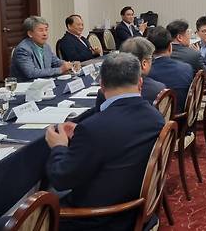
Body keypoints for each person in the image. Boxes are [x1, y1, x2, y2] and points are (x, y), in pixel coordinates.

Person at [45, 53, 165, 231]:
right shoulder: (156, 117)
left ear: (101, 85)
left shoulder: (93, 128)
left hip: (98, 218)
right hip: (136, 208)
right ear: (140, 83)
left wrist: (59, 146)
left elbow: (61, 179)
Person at [10, 16, 73, 81]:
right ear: (30, 34)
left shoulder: (46, 46)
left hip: (44, 84)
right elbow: (31, 73)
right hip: (27, 87)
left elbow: (55, 62)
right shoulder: (23, 49)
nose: (45, 34)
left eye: (46, 30)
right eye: (41, 30)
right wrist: (60, 70)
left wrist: (70, 65)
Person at [147, 27, 194, 112]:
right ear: (170, 47)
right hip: (183, 115)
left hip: (157, 119)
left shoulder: (146, 74)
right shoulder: (187, 68)